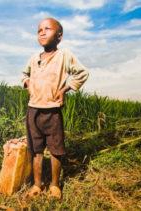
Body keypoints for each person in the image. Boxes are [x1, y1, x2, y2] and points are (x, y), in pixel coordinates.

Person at [22, 17, 89, 199]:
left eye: (47, 29)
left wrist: (66, 89)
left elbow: (82, 73)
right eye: (39, 30)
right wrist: (28, 83)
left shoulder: (64, 56)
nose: (42, 32)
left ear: (59, 36)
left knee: (55, 150)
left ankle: (54, 185)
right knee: (35, 149)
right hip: (33, 110)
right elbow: (24, 74)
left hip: (52, 111)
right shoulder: (34, 58)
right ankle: (37, 185)